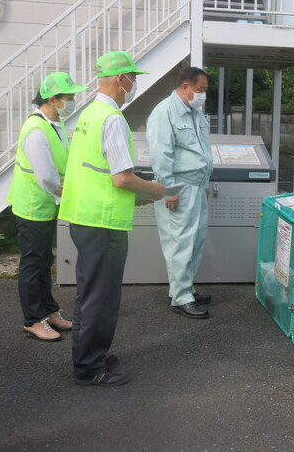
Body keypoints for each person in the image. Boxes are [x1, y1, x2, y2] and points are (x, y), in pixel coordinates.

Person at [58, 51, 167, 387]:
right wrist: (156, 189)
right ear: (122, 79)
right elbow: (122, 178)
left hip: (85, 216)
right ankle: (89, 367)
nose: (134, 82)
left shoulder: (89, 114)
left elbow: (98, 174)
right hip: (103, 222)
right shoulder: (113, 119)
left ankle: (92, 355)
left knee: (92, 292)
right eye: (132, 76)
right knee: (100, 296)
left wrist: (138, 197)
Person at [7, 72, 87, 342]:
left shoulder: (54, 123)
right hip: (33, 207)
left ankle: (49, 312)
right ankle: (32, 320)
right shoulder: (37, 131)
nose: (73, 101)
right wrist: (64, 191)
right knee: (33, 264)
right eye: (69, 97)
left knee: (43, 261)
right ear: (53, 99)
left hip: (43, 206)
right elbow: (45, 176)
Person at [146, 67, 213, 319]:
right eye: (200, 89)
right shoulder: (165, 111)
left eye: (205, 90)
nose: (203, 95)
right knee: (179, 242)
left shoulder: (195, 113)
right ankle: (181, 297)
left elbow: (203, 149)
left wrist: (205, 181)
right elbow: (160, 154)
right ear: (185, 87)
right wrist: (169, 190)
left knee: (195, 239)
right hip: (179, 186)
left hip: (197, 184)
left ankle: (185, 288)